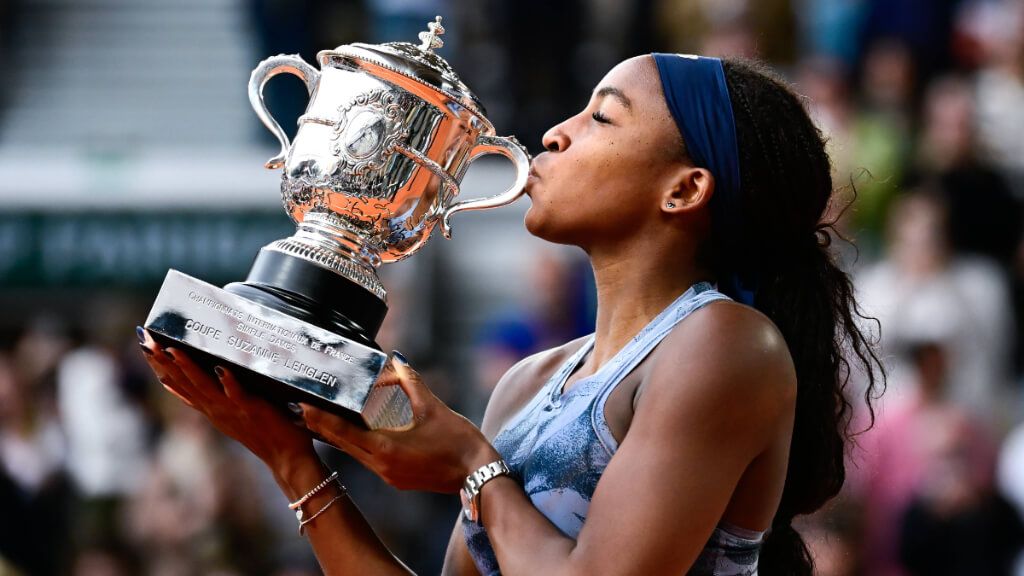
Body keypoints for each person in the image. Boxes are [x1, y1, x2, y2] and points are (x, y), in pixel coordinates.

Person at [139, 53, 883, 575]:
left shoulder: (726, 344)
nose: (556, 132)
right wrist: (291, 460)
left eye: (603, 116)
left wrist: (470, 463)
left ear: (684, 191)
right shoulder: (530, 382)